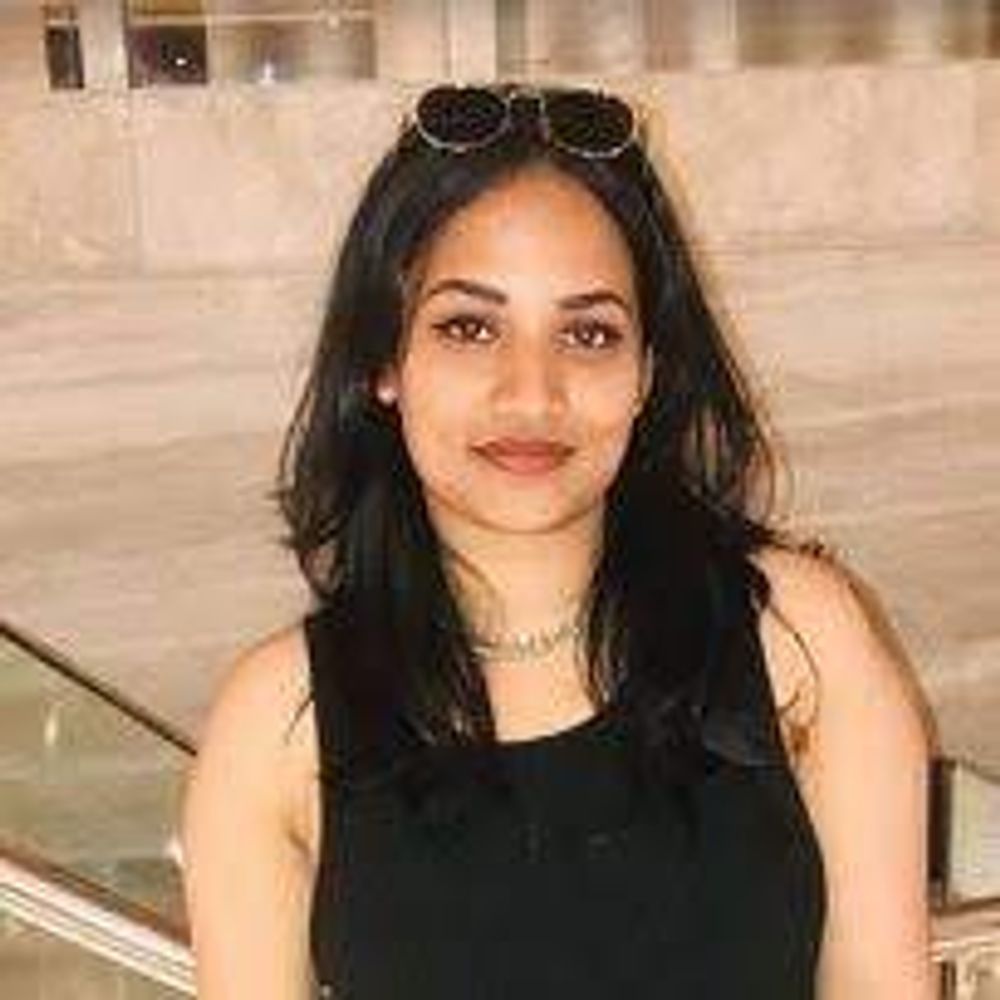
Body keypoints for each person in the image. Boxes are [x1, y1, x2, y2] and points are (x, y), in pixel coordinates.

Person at [180, 83, 936, 999]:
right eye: (470, 327)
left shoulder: (801, 642)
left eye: (588, 333)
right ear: (385, 361)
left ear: (648, 371)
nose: (531, 393)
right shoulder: (275, 725)